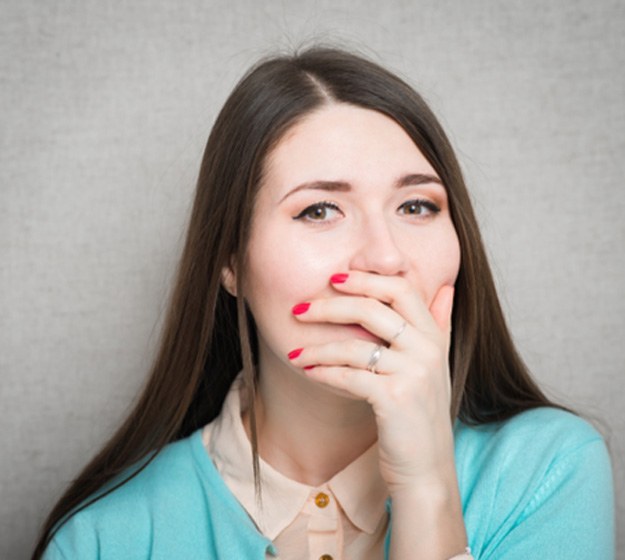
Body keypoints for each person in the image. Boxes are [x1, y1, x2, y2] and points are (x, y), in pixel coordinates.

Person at [33, 46, 614, 560]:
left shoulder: (549, 470)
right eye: (319, 210)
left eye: (416, 206)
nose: (386, 259)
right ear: (229, 259)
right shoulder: (105, 541)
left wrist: (427, 485)